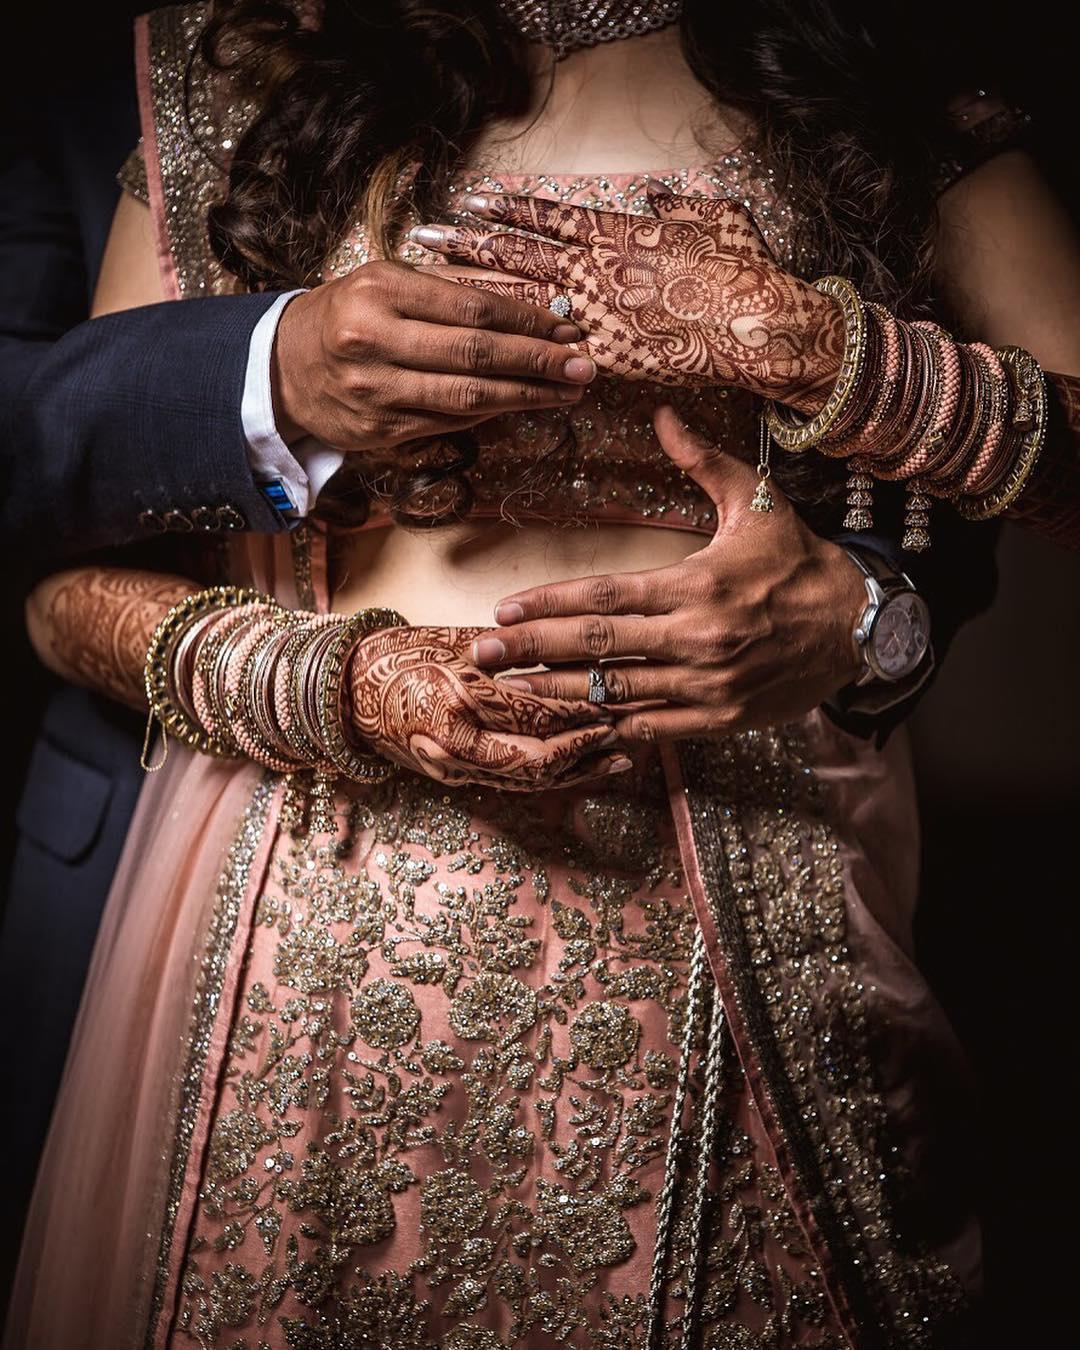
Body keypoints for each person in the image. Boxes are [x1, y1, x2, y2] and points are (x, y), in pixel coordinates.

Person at [6, 1, 1079, 1346]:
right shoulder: (252, 59)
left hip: (745, 910)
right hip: (317, 919)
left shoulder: (876, 64)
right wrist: (340, 685)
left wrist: (823, 351)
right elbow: (63, 589)